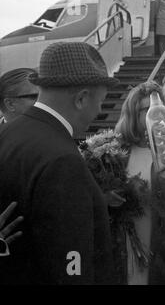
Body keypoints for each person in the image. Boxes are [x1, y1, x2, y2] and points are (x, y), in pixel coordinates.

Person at [0, 42, 118, 284]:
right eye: (101, 102)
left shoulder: (9, 134)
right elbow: (71, 266)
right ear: (82, 98)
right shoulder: (62, 158)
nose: (98, 111)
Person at [114, 81, 165, 284]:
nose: (157, 114)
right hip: (124, 244)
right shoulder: (116, 153)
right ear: (134, 114)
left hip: (163, 245)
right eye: (148, 109)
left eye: (162, 109)